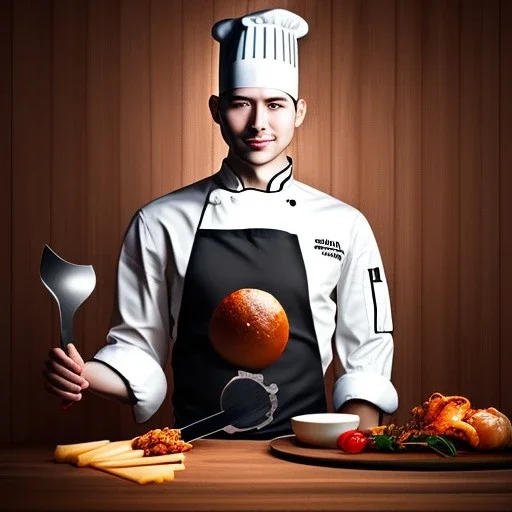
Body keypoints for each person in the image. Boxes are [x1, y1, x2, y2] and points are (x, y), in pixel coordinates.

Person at [42, 8, 398, 437]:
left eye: (275, 105)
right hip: (193, 453)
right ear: (216, 109)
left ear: (299, 111)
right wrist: (85, 375)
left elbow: (367, 358)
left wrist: (353, 457)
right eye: (240, 103)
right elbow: (138, 348)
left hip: (308, 455)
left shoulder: (345, 224)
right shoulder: (159, 221)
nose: (258, 123)